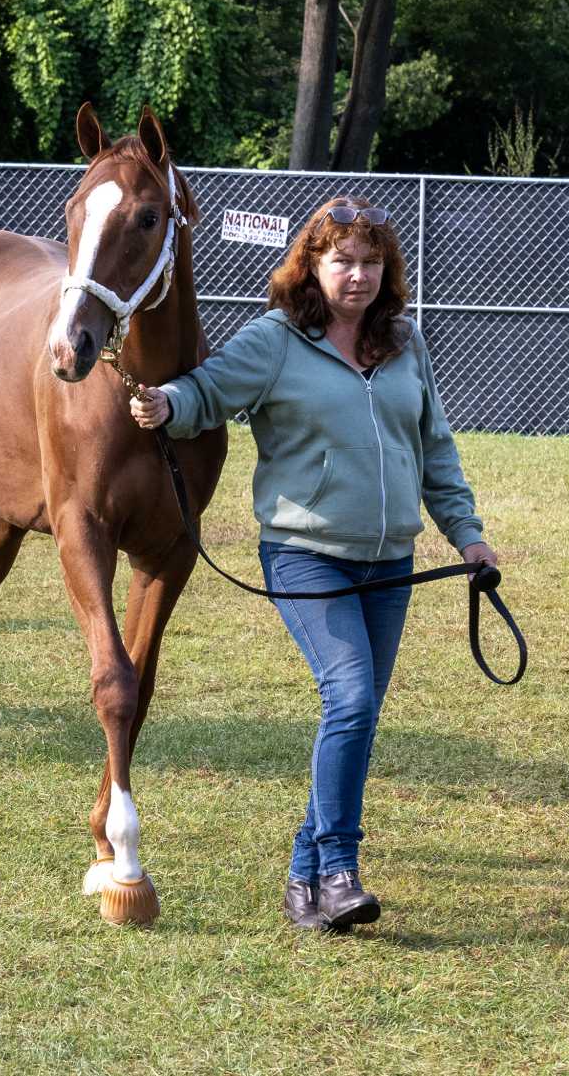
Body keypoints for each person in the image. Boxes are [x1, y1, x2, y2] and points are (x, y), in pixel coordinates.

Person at [129, 195, 499, 933]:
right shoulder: (276, 339)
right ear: (313, 264)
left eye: (370, 261)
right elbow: (211, 388)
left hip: (390, 562)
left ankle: (305, 880)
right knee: (353, 699)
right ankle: (337, 870)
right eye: (343, 261)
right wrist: (167, 403)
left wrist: (468, 535)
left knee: (353, 717)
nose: (358, 275)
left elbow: (433, 447)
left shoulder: (404, 341)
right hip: (305, 556)